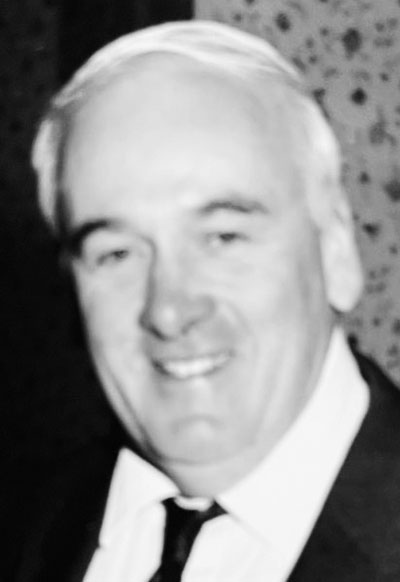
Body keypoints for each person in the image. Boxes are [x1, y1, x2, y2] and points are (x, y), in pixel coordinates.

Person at [10, 20, 400, 582]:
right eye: (116, 254)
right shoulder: (28, 524)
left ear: (336, 248)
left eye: (223, 238)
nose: (169, 312)